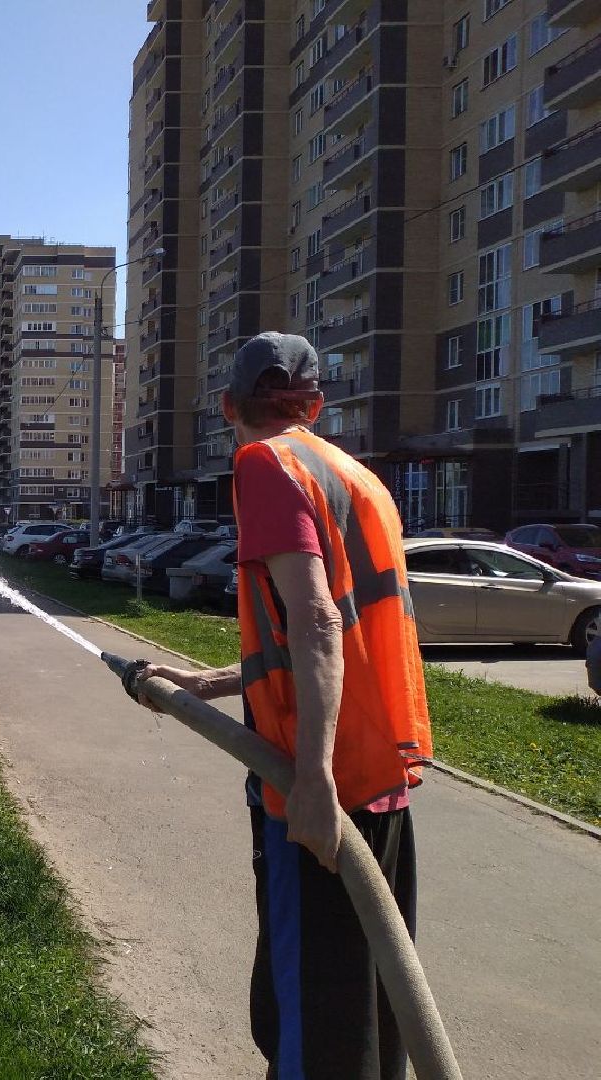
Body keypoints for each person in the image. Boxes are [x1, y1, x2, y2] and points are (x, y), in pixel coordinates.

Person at [139, 332, 431, 1080]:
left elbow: (319, 622)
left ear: (229, 406)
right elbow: (320, 638)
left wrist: (311, 778)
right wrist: (204, 685)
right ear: (316, 404)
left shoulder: (264, 465)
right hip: (381, 778)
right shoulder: (355, 477)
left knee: (311, 1028)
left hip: (320, 791)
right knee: (366, 1013)